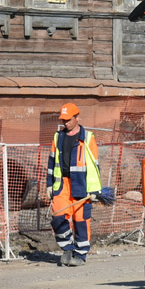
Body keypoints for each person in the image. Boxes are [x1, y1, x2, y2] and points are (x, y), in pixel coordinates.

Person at [47, 102, 101, 267]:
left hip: (81, 186)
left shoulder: (88, 138)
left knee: (81, 221)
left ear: (77, 117)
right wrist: (50, 184)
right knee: (58, 217)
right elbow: (51, 162)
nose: (66, 123)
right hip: (62, 185)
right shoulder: (58, 137)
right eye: (63, 120)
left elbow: (94, 166)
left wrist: (94, 190)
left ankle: (80, 254)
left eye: (69, 119)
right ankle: (67, 248)